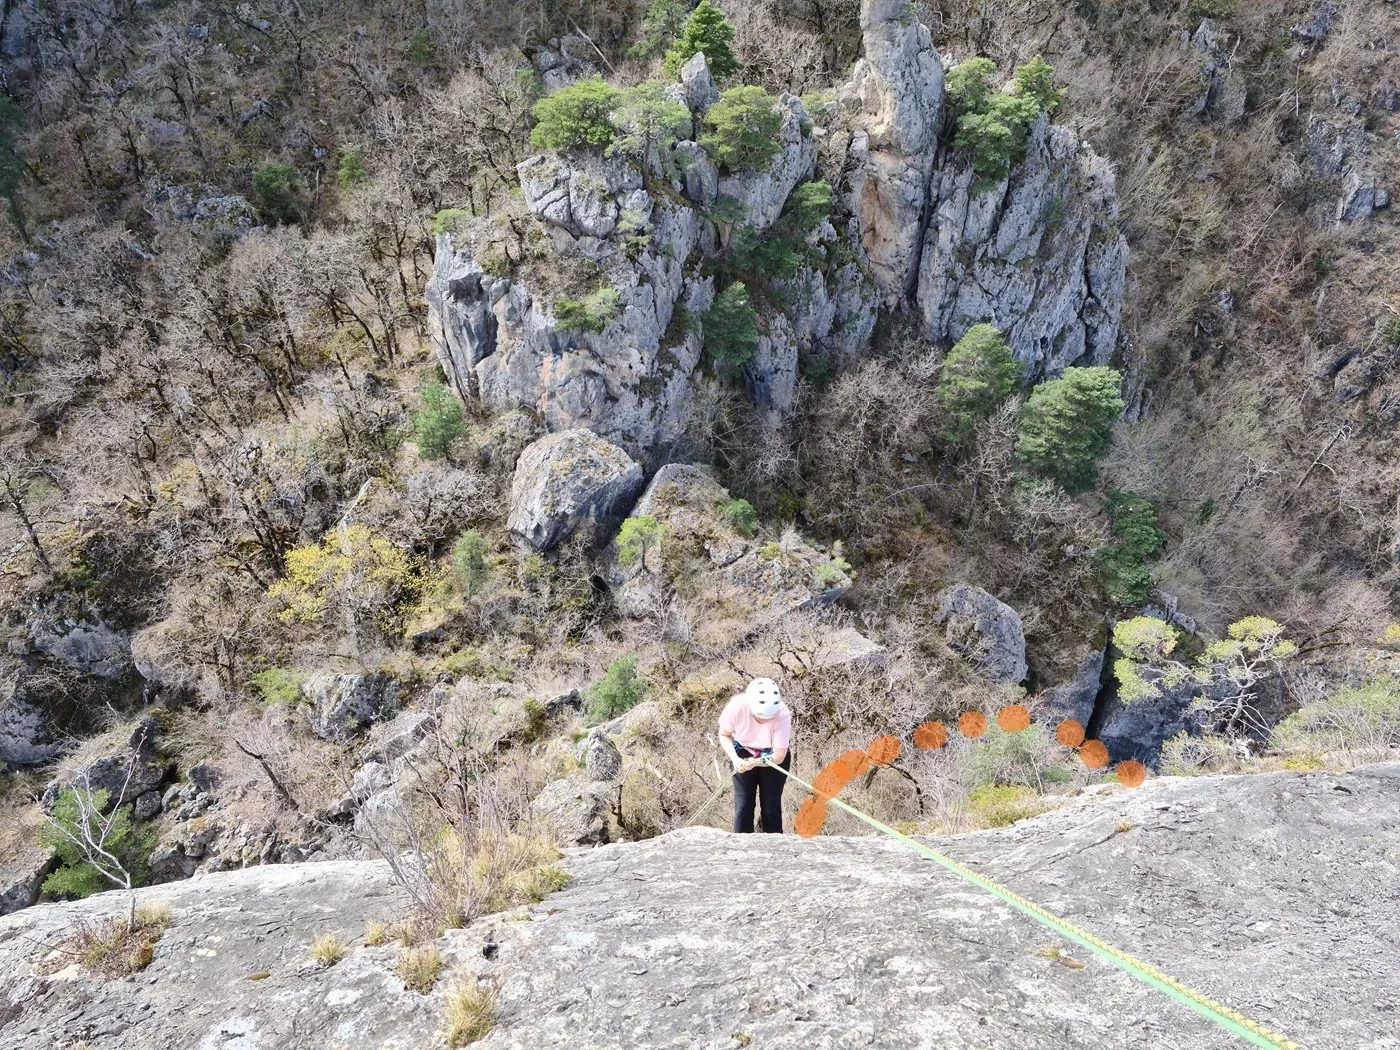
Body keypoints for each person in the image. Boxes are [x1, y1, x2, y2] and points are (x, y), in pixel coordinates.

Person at [718, 678, 792, 833]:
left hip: (771, 754)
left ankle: (774, 848)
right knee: (743, 805)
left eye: (768, 718)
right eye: (759, 717)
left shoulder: (783, 714)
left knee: (771, 807)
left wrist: (757, 761)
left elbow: (779, 756)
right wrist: (736, 759)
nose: (764, 721)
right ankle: (742, 848)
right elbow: (724, 734)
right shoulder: (737, 706)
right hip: (742, 751)